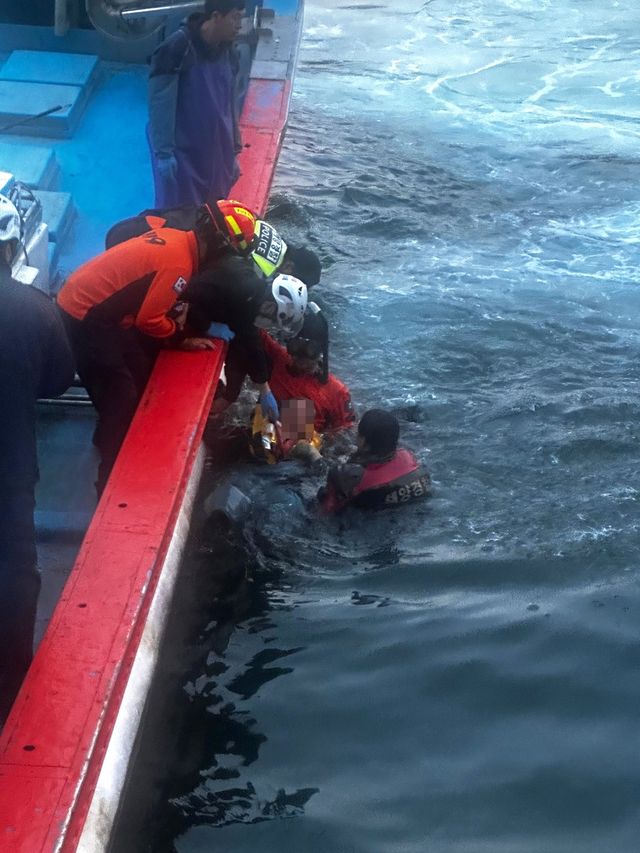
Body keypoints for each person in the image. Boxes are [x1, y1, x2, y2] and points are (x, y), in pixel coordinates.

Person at [56, 200, 256, 494]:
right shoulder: (180, 264)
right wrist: (179, 337)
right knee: (121, 394)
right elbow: (150, 320)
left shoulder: (177, 238)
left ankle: (112, 434)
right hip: (85, 316)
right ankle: (110, 477)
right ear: (217, 243)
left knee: (139, 369)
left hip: (99, 310)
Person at [0, 195, 75, 721]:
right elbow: (58, 380)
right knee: (13, 570)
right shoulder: (34, 309)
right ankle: (11, 685)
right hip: (9, 468)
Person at [147, 0, 245, 207]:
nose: (240, 25)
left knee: (213, 215)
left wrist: (234, 149)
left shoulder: (230, 53)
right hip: (182, 155)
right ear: (217, 16)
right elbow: (161, 103)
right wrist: (164, 154)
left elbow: (230, 104)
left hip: (216, 150)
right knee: (178, 215)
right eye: (235, 17)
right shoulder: (177, 48)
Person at [185, 268, 308, 422]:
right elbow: (188, 296)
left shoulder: (252, 296)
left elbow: (250, 339)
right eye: (273, 319)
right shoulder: (240, 290)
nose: (270, 325)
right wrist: (205, 325)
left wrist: (263, 390)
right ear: (270, 306)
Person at [105, 206, 322, 288]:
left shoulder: (269, 231)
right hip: (138, 241)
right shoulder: (262, 271)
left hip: (150, 220)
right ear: (289, 269)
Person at [261, 304, 355, 432]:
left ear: (320, 350)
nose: (301, 360)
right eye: (296, 346)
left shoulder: (337, 392)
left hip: (302, 445)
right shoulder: (278, 358)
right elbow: (254, 331)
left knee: (299, 407)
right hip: (267, 426)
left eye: (310, 350)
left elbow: (346, 431)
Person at [319, 409, 431, 512]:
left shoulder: (346, 475)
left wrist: (315, 459)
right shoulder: (408, 456)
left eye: (358, 434)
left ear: (363, 442)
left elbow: (325, 511)